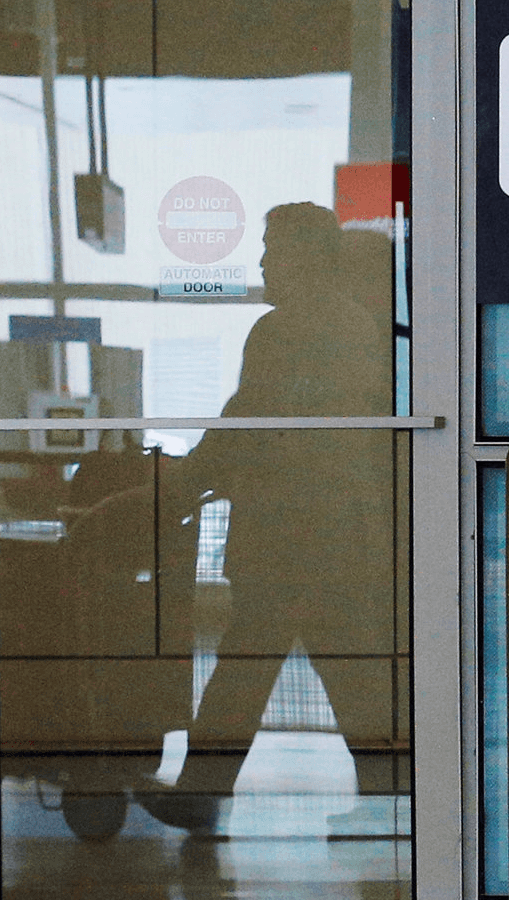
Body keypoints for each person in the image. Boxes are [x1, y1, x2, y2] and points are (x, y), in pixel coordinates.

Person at [135, 203, 400, 831]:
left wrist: (183, 482)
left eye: (272, 249)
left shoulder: (284, 332)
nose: (261, 262)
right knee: (342, 676)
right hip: (339, 536)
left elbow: (246, 421)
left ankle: (203, 795)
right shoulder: (362, 331)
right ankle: (394, 799)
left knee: (252, 670)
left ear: (304, 258)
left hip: (291, 537)